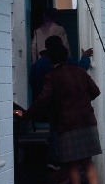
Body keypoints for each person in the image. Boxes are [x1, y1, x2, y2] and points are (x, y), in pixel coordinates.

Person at [20, 42, 102, 184]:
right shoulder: (80, 72)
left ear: (51, 60)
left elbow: (43, 100)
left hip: (67, 124)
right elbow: (95, 91)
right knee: (88, 161)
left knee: (72, 164)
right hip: (87, 122)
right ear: (66, 57)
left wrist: (26, 115)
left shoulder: (52, 77)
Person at [29, 35, 93, 171]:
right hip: (62, 104)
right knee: (61, 132)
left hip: (44, 104)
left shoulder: (36, 66)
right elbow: (81, 68)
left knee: (54, 131)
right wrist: (86, 56)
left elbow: (33, 84)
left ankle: (55, 159)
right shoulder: (62, 62)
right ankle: (58, 159)